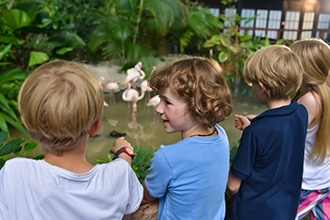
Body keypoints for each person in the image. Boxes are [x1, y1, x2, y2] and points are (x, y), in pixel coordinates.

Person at [0, 60, 143, 220]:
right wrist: (124, 153)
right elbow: (125, 182)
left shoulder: (15, 173)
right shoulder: (118, 175)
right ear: (95, 126)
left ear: (26, 123)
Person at [142, 57, 233, 219]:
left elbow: (146, 196)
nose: (158, 108)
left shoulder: (168, 158)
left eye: (167, 102)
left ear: (198, 106)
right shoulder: (221, 136)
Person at [226, 45, 308, 220]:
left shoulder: (257, 132)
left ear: (262, 87)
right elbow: (280, 129)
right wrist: (255, 122)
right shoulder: (301, 112)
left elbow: (233, 185)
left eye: (252, 83)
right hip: (284, 209)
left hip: (252, 212)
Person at [290, 38, 330, 220]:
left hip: (307, 183)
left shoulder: (309, 100)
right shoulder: (324, 95)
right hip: (324, 179)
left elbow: (287, 136)